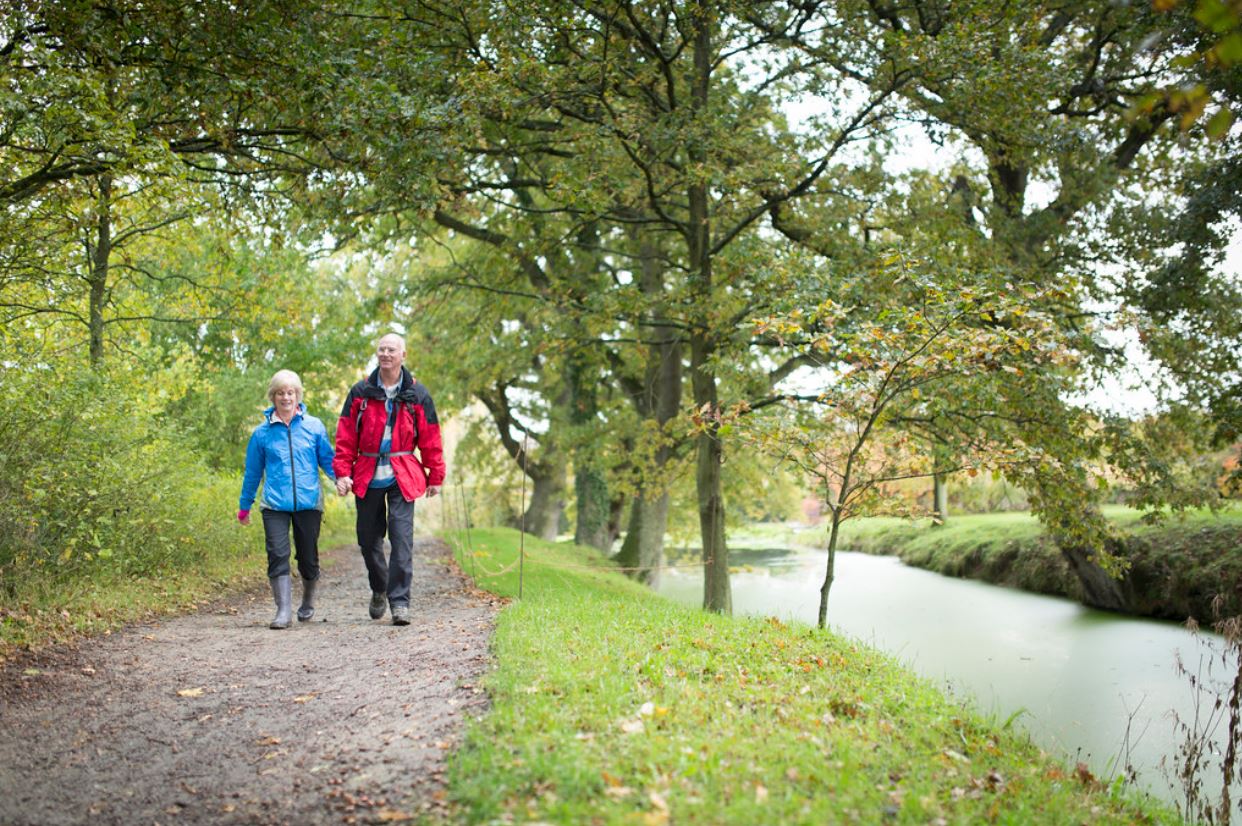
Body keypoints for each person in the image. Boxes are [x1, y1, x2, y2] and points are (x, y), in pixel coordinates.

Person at [334, 333, 445, 626]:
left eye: (391, 349)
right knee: (368, 540)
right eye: (381, 349)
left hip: (403, 472)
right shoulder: (360, 392)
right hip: (367, 471)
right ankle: (379, 587)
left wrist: (436, 475)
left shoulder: (417, 394)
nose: (386, 354)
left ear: (403, 355)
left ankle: (399, 603)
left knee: (401, 538)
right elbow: (345, 436)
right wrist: (342, 472)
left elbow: (431, 437)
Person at [238, 369, 336, 629]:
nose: (285, 397)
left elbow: (328, 460)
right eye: (280, 393)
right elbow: (253, 473)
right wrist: (244, 506)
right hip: (274, 504)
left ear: (298, 395)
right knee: (277, 553)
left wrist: (341, 479)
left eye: (290, 392)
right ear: (273, 397)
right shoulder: (261, 434)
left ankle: (308, 600)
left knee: (308, 557)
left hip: (308, 503)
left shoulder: (314, 427)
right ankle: (283, 611)